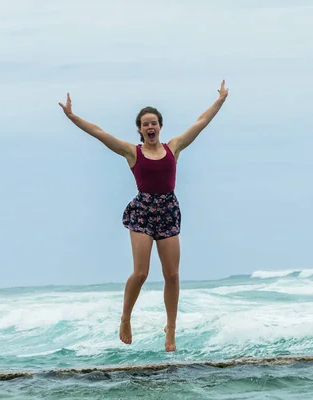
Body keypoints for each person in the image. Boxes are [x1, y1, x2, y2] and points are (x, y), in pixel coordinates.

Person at [58, 80, 229, 351]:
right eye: (145, 124)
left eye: (154, 123)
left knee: (172, 275)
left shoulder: (174, 148)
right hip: (142, 212)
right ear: (139, 129)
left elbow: (201, 122)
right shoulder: (132, 152)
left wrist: (220, 100)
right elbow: (100, 133)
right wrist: (72, 116)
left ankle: (170, 329)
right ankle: (125, 318)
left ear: (160, 126)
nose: (150, 127)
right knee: (141, 272)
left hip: (168, 210)